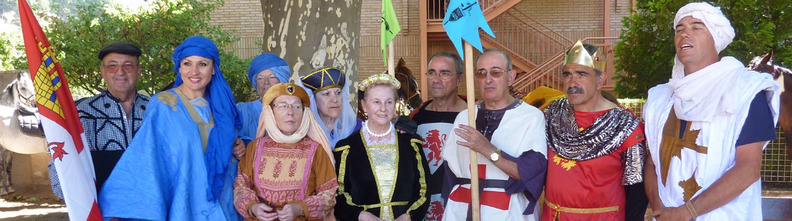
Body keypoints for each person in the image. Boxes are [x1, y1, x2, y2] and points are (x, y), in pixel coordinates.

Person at [643, 2, 780, 220]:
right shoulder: (660, 99)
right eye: (679, 29)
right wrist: (661, 209)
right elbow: (652, 163)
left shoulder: (746, 90)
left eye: (696, 27)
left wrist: (687, 212)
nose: (684, 33)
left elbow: (748, 169)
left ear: (716, 38)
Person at [99, 36, 244, 220]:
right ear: (179, 68)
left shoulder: (223, 106)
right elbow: (146, 156)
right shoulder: (163, 104)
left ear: (213, 69)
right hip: (185, 201)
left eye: (203, 64)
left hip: (224, 201)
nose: (194, 71)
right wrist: (120, 205)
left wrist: (239, 148)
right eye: (187, 63)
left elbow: (232, 150)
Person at [541, 41, 647, 221]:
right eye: (567, 75)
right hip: (554, 216)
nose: (572, 82)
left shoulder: (625, 124)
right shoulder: (552, 114)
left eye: (581, 75)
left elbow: (637, 190)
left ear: (600, 80)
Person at [441, 49, 547, 220]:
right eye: (481, 73)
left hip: (509, 210)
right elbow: (449, 175)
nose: (488, 79)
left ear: (511, 77)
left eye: (496, 72)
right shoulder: (464, 116)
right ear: (476, 79)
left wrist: (487, 149)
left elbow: (530, 172)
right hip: (461, 208)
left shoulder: (531, 117)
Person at [47, 41, 150, 198]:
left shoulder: (157, 111)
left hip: (150, 209)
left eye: (128, 66)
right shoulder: (81, 114)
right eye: (112, 66)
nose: (120, 72)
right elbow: (61, 168)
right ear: (102, 71)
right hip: (102, 212)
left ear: (139, 71)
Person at [234, 82, 338, 220]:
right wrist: (253, 208)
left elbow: (329, 193)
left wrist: (300, 208)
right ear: (271, 112)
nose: (290, 112)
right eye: (283, 106)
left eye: (296, 106)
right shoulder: (255, 147)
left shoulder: (316, 150)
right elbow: (240, 186)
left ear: (304, 113)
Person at [334, 73, 429, 221]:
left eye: (389, 102)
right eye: (376, 102)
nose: (383, 108)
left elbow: (423, 190)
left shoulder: (411, 144)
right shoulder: (346, 148)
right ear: (364, 105)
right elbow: (339, 193)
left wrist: (408, 217)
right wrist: (361, 215)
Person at [408, 51, 466, 221]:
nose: (436, 79)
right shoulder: (416, 118)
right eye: (432, 73)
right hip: (422, 206)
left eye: (445, 73)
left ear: (459, 80)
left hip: (460, 204)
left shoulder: (473, 116)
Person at [296, 67, 361, 149]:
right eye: (326, 94)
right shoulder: (303, 132)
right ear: (313, 99)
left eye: (338, 93)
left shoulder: (358, 128)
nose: (335, 100)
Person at [237, 53, 291, 144]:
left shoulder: (294, 110)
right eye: (260, 78)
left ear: (282, 80)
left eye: (272, 77)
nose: (266, 82)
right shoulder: (243, 111)